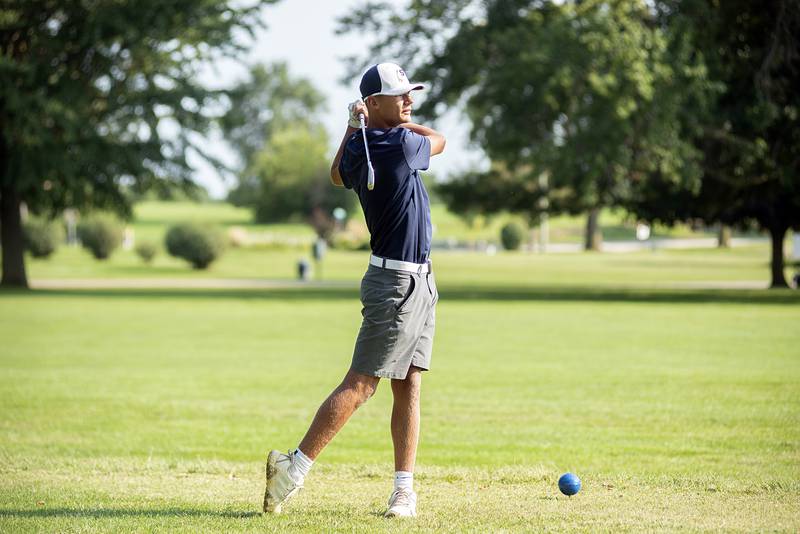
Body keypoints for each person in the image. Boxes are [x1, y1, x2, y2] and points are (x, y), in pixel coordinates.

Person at [263, 62, 446, 518]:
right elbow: (440, 140)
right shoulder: (402, 143)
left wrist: (353, 126)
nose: (409, 101)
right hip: (397, 284)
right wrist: (382, 122)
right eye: (400, 95)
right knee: (363, 383)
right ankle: (294, 468)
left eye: (410, 94)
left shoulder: (362, 147)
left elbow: (336, 175)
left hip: (416, 280)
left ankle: (403, 490)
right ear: (375, 103)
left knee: (409, 384)